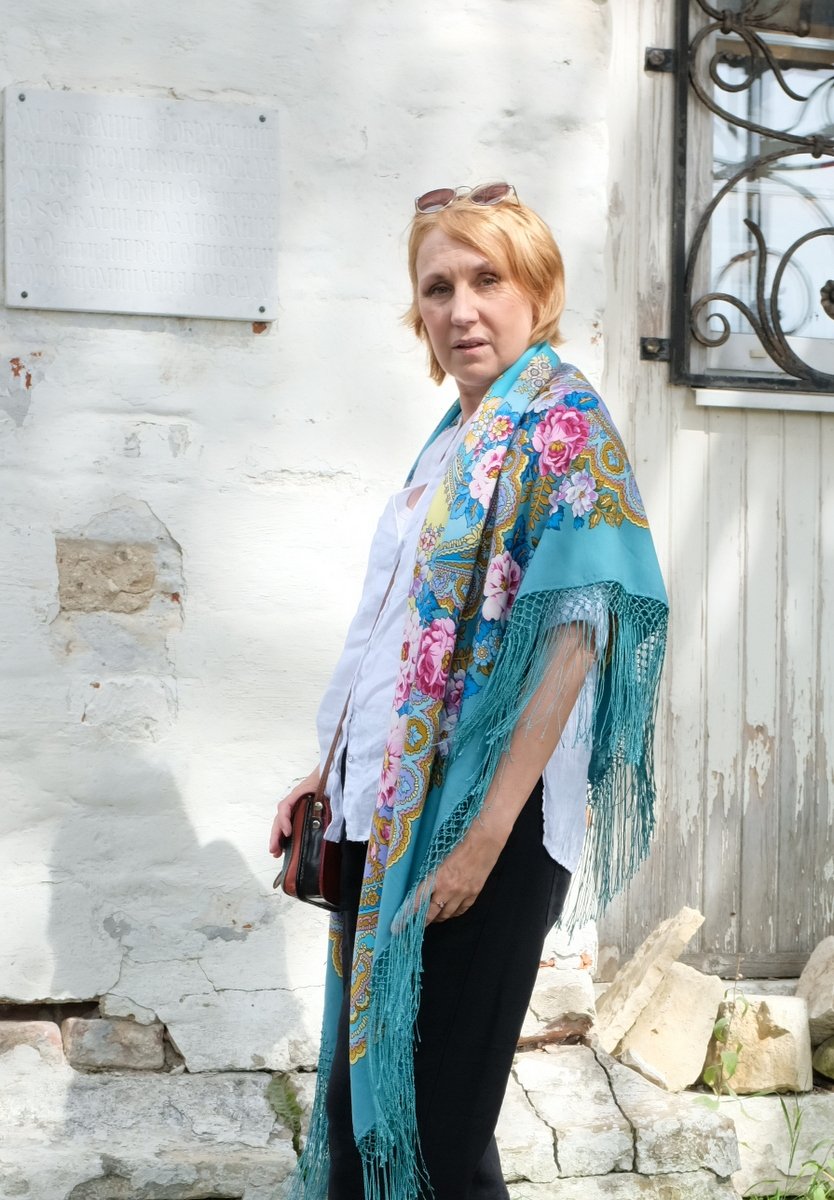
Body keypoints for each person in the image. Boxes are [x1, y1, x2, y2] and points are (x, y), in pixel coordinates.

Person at [270, 183, 668, 1200]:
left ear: (538, 290)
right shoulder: (455, 437)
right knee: (379, 1113)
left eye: (488, 279)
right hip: (392, 807)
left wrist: (485, 836)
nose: (462, 310)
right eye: (438, 287)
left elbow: (575, 641)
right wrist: (328, 770)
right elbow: (395, 629)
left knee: (435, 1132)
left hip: (485, 820)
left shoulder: (563, 425)